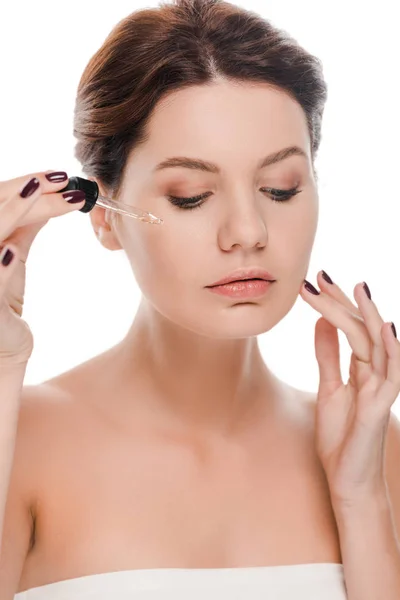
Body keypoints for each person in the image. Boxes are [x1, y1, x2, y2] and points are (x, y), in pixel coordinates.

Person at [1, 1, 400, 598]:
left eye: (280, 188)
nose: (248, 230)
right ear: (106, 217)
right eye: (191, 195)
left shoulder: (372, 447)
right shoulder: (20, 438)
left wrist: (360, 497)